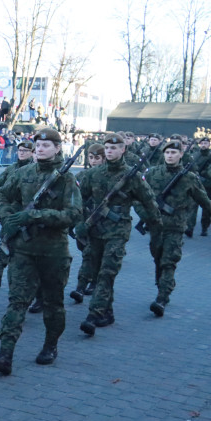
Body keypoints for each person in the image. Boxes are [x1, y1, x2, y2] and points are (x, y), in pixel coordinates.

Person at [0, 128, 82, 376]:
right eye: (37, 144)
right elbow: (1, 195)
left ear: (58, 148)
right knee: (17, 301)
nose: (40, 149)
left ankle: (50, 346)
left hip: (53, 252)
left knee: (53, 303)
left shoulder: (67, 179)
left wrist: (35, 215)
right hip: (24, 250)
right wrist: (8, 217)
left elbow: (73, 215)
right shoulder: (24, 172)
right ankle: (5, 353)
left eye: (46, 145)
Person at [77, 133, 161, 336]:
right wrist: (79, 222)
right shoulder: (93, 175)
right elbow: (80, 200)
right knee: (98, 272)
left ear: (123, 150)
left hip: (118, 230)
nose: (110, 151)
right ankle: (107, 312)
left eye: (114, 148)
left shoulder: (132, 176)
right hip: (95, 229)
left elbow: (149, 201)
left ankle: (94, 314)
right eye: (107, 148)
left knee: (107, 272)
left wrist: (156, 226)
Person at [144, 140, 211, 315]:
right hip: (156, 226)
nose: (170, 155)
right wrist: (144, 214)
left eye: (174, 152)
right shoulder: (153, 173)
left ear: (181, 155)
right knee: (157, 257)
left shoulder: (189, 177)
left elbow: (204, 200)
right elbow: (138, 196)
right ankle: (162, 285)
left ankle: (162, 297)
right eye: (167, 152)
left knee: (168, 261)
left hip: (176, 225)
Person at [0, 140, 34, 287]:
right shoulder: (11, 169)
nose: (22, 153)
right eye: (20, 150)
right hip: (10, 212)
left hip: (27, 213)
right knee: (5, 240)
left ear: (32, 152)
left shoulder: (34, 169)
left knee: (19, 245)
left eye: (25, 150)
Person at [69, 142, 105, 303]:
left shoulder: (107, 176)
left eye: (97, 158)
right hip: (83, 220)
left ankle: (82, 286)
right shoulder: (81, 176)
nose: (94, 160)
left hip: (101, 222)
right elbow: (73, 199)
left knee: (90, 255)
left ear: (104, 159)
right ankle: (91, 279)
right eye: (91, 157)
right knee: (86, 252)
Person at [187, 136, 211, 237]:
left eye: (206, 143)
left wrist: (205, 174)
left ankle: (204, 227)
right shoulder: (195, 155)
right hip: (195, 184)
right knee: (192, 207)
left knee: (207, 208)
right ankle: (190, 228)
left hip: (208, 185)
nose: (203, 145)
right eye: (202, 143)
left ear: (209, 144)